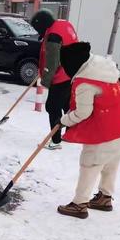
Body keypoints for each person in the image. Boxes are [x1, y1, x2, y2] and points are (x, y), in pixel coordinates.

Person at [57, 42, 120, 219]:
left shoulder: (86, 83)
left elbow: (83, 112)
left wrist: (63, 120)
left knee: (89, 164)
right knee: (110, 165)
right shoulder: (104, 71)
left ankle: (79, 204)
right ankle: (105, 197)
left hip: (105, 133)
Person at [31, 9, 78, 150]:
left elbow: (52, 63)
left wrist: (45, 78)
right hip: (72, 73)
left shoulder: (53, 37)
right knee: (67, 105)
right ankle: (71, 134)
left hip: (61, 77)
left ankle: (56, 141)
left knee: (52, 107)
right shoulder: (63, 24)